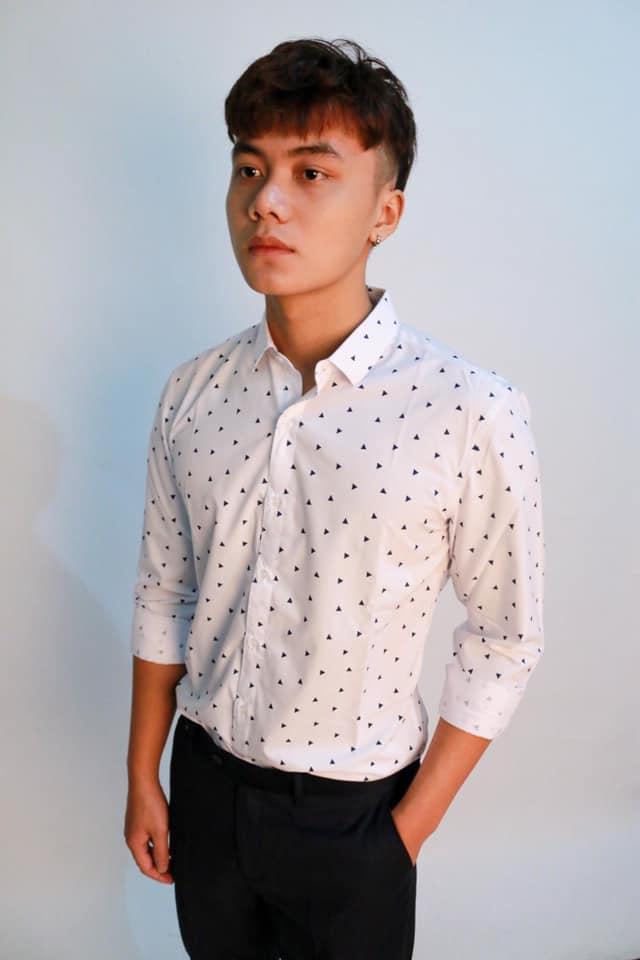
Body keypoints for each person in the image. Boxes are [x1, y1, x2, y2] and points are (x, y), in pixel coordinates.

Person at [124, 36, 545, 960]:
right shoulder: (192, 394)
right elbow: (166, 592)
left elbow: (505, 637)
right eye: (249, 169)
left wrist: (403, 837)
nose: (265, 201)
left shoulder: (468, 408)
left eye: (311, 173)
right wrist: (143, 775)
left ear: (384, 212)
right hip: (205, 787)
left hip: (356, 820)